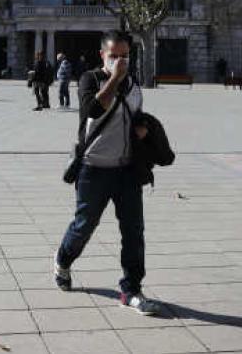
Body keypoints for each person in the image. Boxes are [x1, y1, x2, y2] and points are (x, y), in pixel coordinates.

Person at [54, 30, 161, 316]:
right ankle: (63, 260)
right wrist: (114, 78)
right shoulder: (90, 79)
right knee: (84, 226)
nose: (120, 61)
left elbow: (134, 114)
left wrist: (143, 129)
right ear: (102, 54)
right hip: (93, 169)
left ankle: (131, 290)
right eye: (114, 55)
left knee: (134, 232)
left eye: (125, 56)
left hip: (126, 170)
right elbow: (91, 110)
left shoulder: (134, 84)